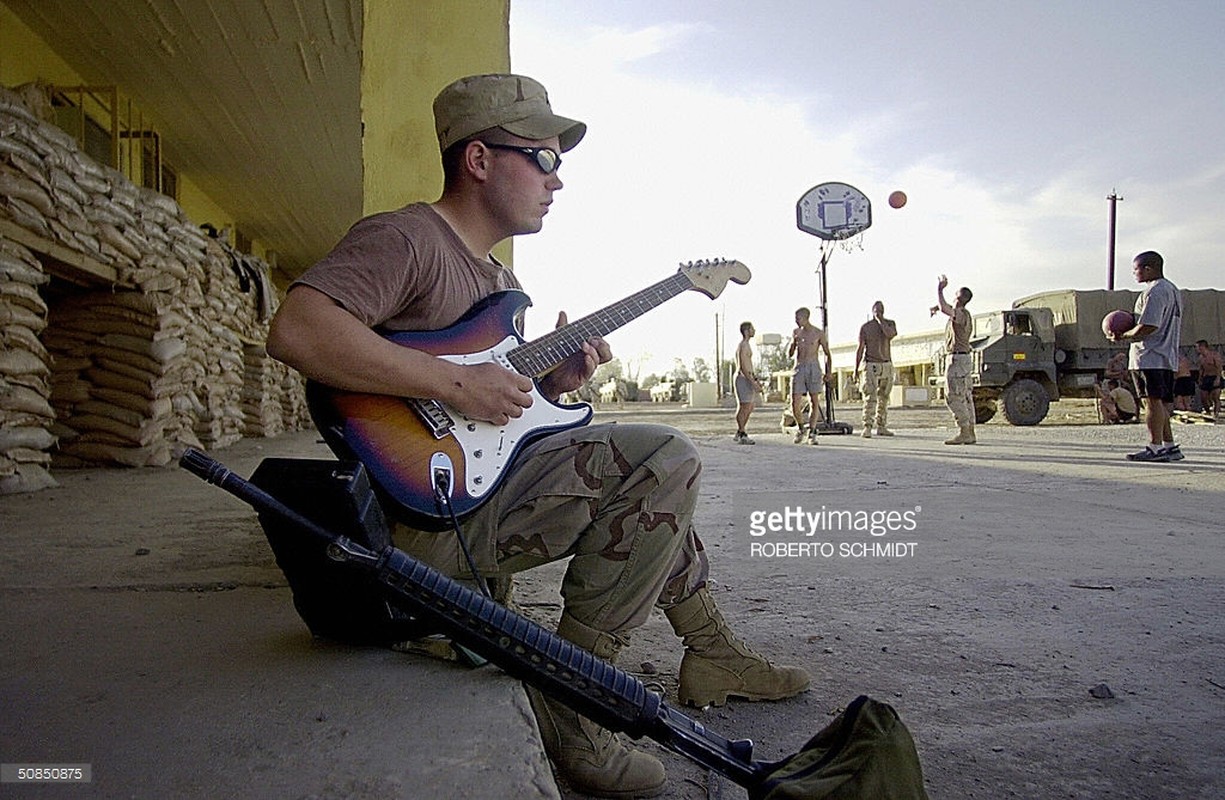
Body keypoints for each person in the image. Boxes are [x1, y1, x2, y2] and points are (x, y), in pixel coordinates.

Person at [266, 73, 809, 798]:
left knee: (642, 467)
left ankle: (710, 650)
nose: (558, 181)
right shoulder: (407, 238)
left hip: (472, 487)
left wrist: (547, 391)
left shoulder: (490, 275)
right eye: (543, 159)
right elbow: (298, 329)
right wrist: (458, 385)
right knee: (661, 456)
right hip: (423, 520)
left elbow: (483, 407)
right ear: (479, 160)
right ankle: (571, 698)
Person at [1107, 250, 1182, 462]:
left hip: (1150, 355)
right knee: (1159, 403)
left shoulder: (1155, 291)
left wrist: (1123, 335)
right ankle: (1169, 446)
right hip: (1166, 355)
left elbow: (1149, 325)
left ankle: (1154, 448)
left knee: (1152, 403)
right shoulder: (1172, 290)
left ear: (1148, 268)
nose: (1134, 273)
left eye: (1136, 269)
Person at [935, 276, 976, 444]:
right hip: (963, 359)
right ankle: (970, 431)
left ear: (959, 299)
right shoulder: (963, 314)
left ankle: (964, 430)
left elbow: (945, 308)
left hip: (957, 359)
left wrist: (939, 289)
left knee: (953, 396)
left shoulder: (960, 314)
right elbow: (944, 308)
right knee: (966, 395)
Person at [787, 307, 831, 444]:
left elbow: (827, 354)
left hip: (813, 366)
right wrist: (794, 342)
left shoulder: (818, 333)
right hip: (799, 366)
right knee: (795, 402)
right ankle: (801, 427)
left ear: (806, 318)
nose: (796, 321)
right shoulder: (796, 332)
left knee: (814, 400)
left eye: (798, 318)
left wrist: (828, 371)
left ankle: (812, 431)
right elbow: (789, 354)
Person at [854, 300, 897, 438]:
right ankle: (867, 425)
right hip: (871, 364)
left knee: (884, 397)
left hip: (886, 364)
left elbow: (890, 334)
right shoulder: (866, 327)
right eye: (877, 310)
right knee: (870, 396)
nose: (880, 312)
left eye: (881, 309)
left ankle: (882, 425)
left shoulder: (890, 324)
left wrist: (881, 321)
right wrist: (856, 368)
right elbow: (860, 348)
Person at [733, 321, 763, 444]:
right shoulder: (743, 346)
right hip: (742, 378)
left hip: (748, 377)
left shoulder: (747, 345)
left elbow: (749, 365)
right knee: (744, 406)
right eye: (752, 329)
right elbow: (742, 366)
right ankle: (742, 433)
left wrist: (755, 379)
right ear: (746, 331)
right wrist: (751, 382)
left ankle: (740, 431)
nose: (754, 331)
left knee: (750, 406)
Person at [1196, 339, 1222, 417]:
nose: (1196, 349)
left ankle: (1216, 413)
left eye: (1197, 347)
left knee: (1215, 396)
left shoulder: (1214, 355)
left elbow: (1219, 367)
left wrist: (1218, 378)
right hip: (1206, 377)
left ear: (1202, 347)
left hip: (1214, 376)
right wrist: (1200, 378)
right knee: (1203, 397)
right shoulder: (1201, 358)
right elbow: (1201, 369)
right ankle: (1208, 412)